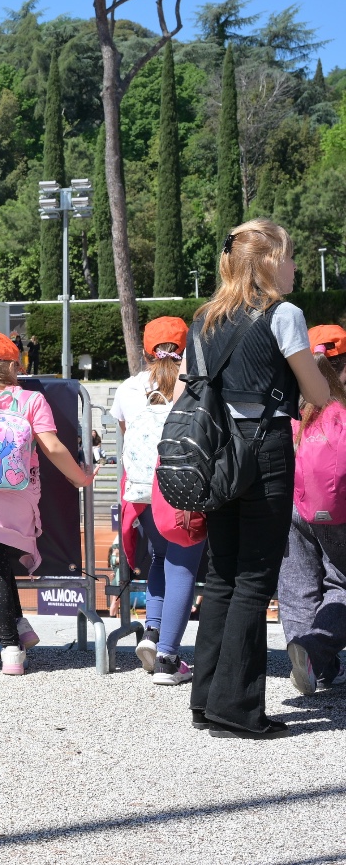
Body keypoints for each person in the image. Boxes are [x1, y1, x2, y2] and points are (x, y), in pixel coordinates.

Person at [176, 220, 331, 737]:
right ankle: (237, 708)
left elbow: (193, 390)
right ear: (266, 262)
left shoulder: (204, 319)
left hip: (215, 452)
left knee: (220, 574)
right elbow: (318, 392)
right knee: (254, 578)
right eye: (289, 258)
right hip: (263, 450)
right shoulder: (283, 314)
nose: (294, 268)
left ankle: (206, 700)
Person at [0, 332, 94, 675]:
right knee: (0, 562)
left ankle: (10, 647)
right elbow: (52, 448)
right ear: (13, 365)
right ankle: (18, 629)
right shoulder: (32, 401)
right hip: (21, 495)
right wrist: (80, 477)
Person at [112, 316, 206, 686]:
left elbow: (124, 431)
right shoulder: (195, 384)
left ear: (147, 348)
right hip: (181, 487)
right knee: (182, 565)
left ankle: (152, 632)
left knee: (159, 558)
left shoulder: (129, 387)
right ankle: (168, 658)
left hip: (141, 490)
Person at [281, 324, 346, 696]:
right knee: (342, 583)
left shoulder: (291, 405)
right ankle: (315, 650)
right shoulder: (341, 408)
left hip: (291, 506)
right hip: (337, 509)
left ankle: (311, 661)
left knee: (296, 585)